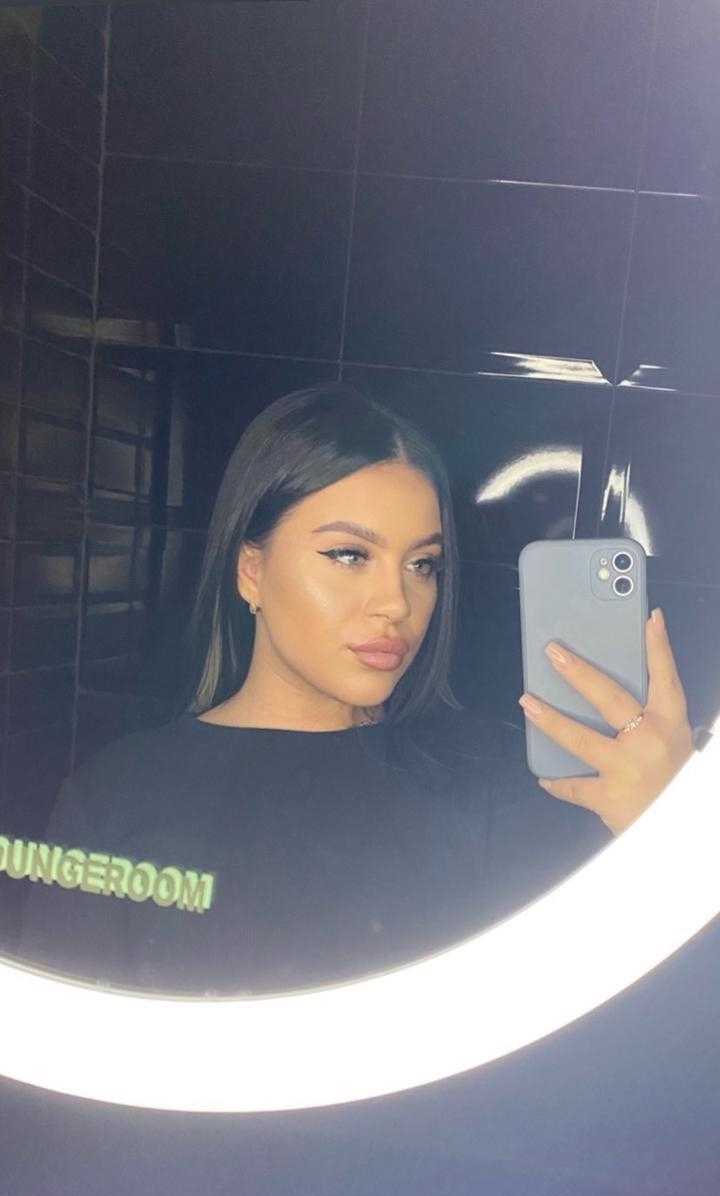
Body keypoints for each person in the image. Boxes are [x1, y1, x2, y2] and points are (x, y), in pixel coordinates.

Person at [13, 383, 611, 995]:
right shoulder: (116, 798)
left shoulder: (492, 778)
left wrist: (644, 817)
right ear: (252, 571)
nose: (396, 603)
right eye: (350, 555)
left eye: (422, 564)